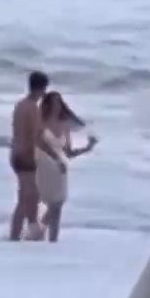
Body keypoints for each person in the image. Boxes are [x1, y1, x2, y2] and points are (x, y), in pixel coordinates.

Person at [35, 91, 97, 242]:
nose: (57, 106)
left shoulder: (64, 126)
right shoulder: (40, 123)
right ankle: (38, 233)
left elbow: (68, 153)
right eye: (54, 103)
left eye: (59, 103)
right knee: (51, 204)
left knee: (57, 206)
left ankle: (51, 240)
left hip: (60, 169)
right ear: (47, 104)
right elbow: (36, 144)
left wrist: (88, 147)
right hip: (42, 166)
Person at [9, 71, 51, 241]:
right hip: (26, 156)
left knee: (29, 197)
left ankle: (28, 232)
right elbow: (35, 136)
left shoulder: (20, 105)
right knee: (27, 198)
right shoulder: (32, 108)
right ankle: (16, 236)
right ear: (42, 89)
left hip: (15, 154)